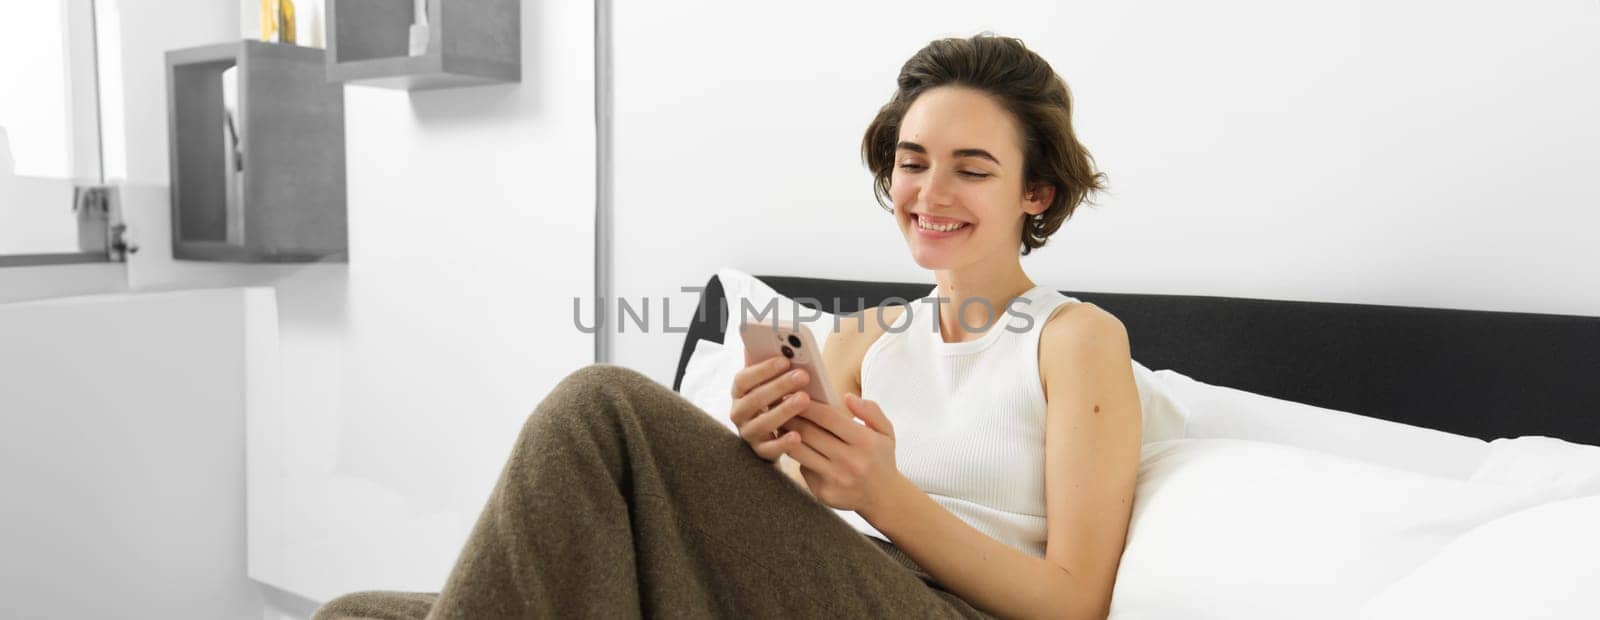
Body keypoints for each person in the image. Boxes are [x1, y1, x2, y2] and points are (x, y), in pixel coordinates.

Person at [315, 31, 1141, 620]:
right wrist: (764, 453)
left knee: (601, 407)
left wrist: (884, 496)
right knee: (355, 616)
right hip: (817, 587)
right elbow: (789, 533)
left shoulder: (1074, 340)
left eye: (973, 168)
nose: (928, 193)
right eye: (913, 161)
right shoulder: (865, 336)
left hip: (942, 607)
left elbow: (1075, 602)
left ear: (1036, 192)